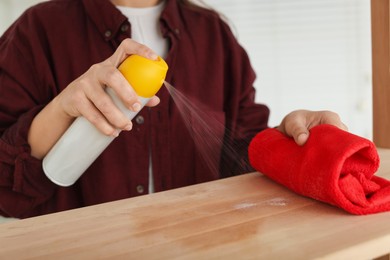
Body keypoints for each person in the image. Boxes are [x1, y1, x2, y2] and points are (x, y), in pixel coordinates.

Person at [0, 0, 346, 219]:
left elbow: (241, 157)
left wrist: (290, 137)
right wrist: (62, 108)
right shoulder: (38, 31)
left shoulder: (214, 33)